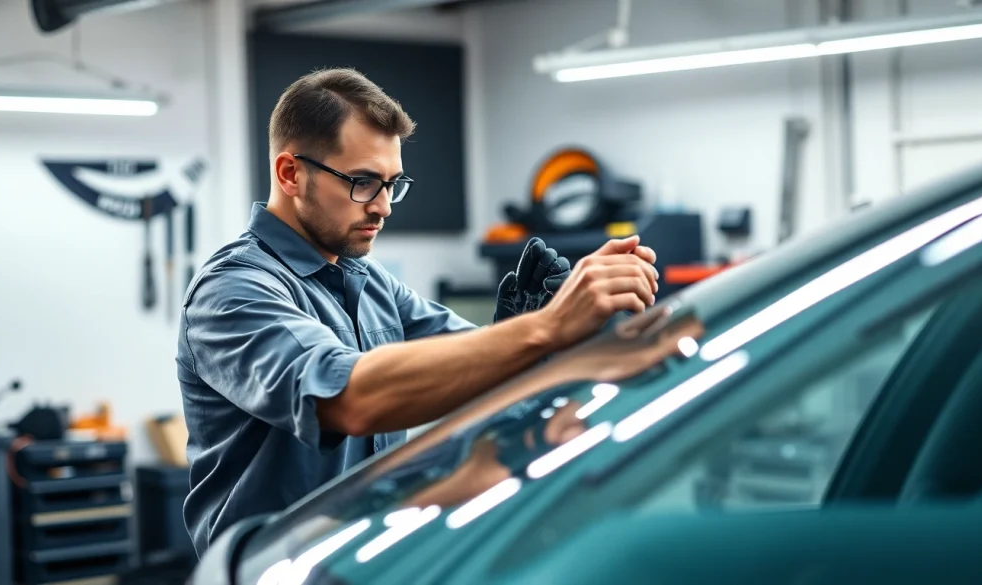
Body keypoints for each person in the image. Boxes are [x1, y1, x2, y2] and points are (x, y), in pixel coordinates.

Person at [175, 67, 659, 557]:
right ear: (290, 173)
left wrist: (538, 336)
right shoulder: (232, 292)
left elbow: (468, 367)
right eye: (363, 182)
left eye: (393, 184)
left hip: (370, 562)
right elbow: (349, 398)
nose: (384, 207)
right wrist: (545, 330)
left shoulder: (368, 280)